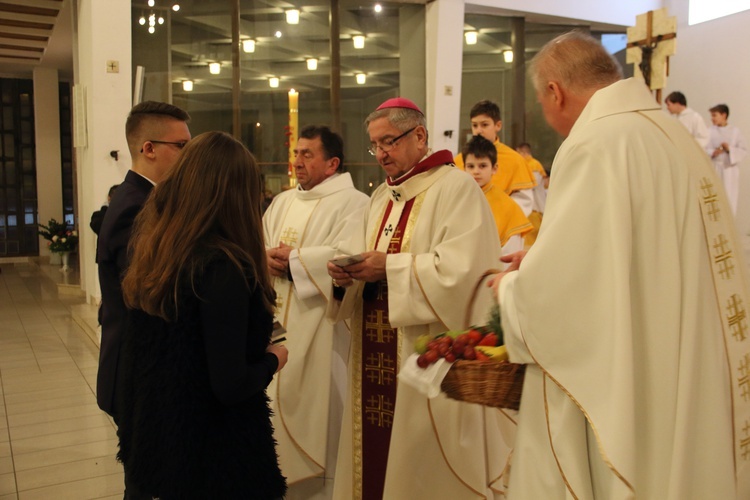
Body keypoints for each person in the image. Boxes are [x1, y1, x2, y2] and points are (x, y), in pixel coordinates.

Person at [491, 31, 750, 499]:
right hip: (682, 343)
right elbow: (639, 244)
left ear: (555, 91)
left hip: (642, 357)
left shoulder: (595, 143)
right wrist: (546, 254)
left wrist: (513, 288)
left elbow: (566, 292)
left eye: (540, 99)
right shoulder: (669, 131)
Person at [327, 97, 513, 499]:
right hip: (371, 357)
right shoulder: (380, 198)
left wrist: (389, 268)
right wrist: (343, 275)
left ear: (420, 136)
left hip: (421, 358)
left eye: (389, 142)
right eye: (375, 145)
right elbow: (358, 251)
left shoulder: (456, 188)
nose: (381, 154)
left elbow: (464, 274)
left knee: (420, 463)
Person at [116, 131, 288, 499]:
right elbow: (230, 385)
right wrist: (274, 359)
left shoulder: (158, 249)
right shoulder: (222, 267)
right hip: (216, 457)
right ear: (236, 194)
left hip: (165, 437)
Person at [263, 125, 369, 497]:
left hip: (323, 331)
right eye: (296, 153)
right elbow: (258, 243)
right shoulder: (282, 202)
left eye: (308, 154)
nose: (297, 162)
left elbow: (350, 260)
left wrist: (294, 261)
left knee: (322, 415)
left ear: (332, 162)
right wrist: (264, 258)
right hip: (277, 324)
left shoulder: (355, 203)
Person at [96, 101, 190, 498]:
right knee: (146, 483)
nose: (189, 156)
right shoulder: (135, 207)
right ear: (149, 148)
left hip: (141, 363)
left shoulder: (143, 198)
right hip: (135, 368)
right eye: (181, 146)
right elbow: (148, 294)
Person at [454, 100, 536, 216]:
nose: (478, 130)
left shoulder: (515, 160)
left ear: (498, 125)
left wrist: (498, 216)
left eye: (484, 125)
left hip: (501, 225)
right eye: (475, 125)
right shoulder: (459, 160)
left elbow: (523, 202)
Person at [462, 134, 531, 255]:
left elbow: (510, 254)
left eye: (482, 166)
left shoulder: (509, 208)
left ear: (494, 168)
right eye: (471, 166)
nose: (476, 171)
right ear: (464, 168)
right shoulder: (457, 200)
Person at [705, 103, 748, 215]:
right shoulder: (709, 131)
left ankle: (729, 227)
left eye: (715, 115)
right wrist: (713, 152)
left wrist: (729, 149)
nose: (712, 118)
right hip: (715, 167)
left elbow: (743, 150)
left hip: (729, 170)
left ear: (724, 115)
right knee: (715, 198)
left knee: (729, 197)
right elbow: (703, 148)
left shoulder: (735, 132)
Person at [515, 142, 548, 248]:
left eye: (518, 153)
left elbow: (531, 184)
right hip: (531, 208)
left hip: (534, 208)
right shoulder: (525, 164)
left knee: (531, 244)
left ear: (524, 153)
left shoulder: (533, 165)